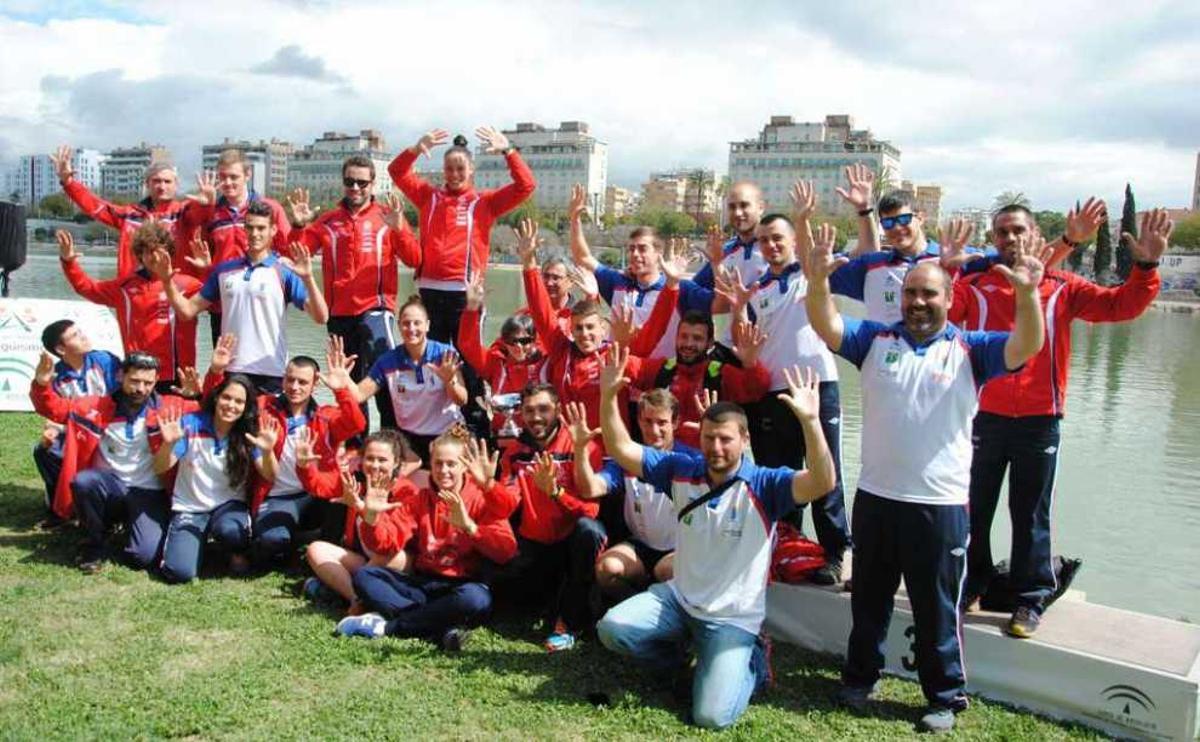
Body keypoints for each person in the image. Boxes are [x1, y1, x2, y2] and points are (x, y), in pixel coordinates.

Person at [804, 222, 1046, 733]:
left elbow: (1027, 345)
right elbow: (827, 327)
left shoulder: (973, 349)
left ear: (950, 297)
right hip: (876, 497)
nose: (917, 302)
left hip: (938, 506)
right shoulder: (874, 339)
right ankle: (859, 677)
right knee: (868, 599)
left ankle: (944, 696)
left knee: (936, 609)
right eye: (910, 292)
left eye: (928, 293)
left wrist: (1028, 295)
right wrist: (819, 281)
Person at [594, 343, 836, 730]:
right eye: (709, 438)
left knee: (710, 717)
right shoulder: (681, 468)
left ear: (744, 440)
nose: (716, 447)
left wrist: (811, 422)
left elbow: (823, 482)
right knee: (613, 629)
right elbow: (622, 450)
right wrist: (608, 397)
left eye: (725, 439)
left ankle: (754, 662)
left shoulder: (764, 485)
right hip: (679, 600)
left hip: (732, 619)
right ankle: (685, 662)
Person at [954, 204, 1169, 639]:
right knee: (971, 507)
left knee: (1031, 513)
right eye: (1001, 233)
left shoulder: (1061, 288)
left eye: (1018, 231)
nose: (1010, 239)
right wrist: (944, 266)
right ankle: (970, 585)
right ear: (993, 239)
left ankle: (1030, 598)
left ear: (1036, 235)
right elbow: (933, 310)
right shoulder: (975, 286)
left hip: (1039, 420)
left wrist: (1145, 266)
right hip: (981, 417)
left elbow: (1122, 306)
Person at [719, 213, 849, 585]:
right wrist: (738, 305)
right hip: (773, 390)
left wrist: (806, 218)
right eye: (763, 240)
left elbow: (811, 256)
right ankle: (789, 546)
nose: (771, 246)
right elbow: (742, 340)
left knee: (827, 471)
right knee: (783, 473)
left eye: (778, 238)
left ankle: (835, 551)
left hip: (817, 384)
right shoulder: (756, 288)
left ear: (792, 241)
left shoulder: (810, 273)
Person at [335, 430, 518, 650]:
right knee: (366, 576)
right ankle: (438, 627)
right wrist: (372, 518)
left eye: (451, 464)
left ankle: (389, 627)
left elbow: (506, 551)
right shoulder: (419, 500)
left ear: (463, 466)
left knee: (475, 599)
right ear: (430, 464)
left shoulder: (480, 498)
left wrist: (470, 527)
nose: (444, 471)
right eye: (438, 464)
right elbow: (386, 545)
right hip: (423, 585)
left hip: (462, 586)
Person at [29, 350, 198, 570]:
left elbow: (215, 412)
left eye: (148, 382)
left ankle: (126, 524)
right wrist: (42, 384)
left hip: (149, 491)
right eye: (134, 381)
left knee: (143, 557)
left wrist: (197, 395)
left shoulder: (172, 406)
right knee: (84, 482)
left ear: (157, 380)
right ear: (120, 376)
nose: (140, 388)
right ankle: (94, 543)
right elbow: (53, 408)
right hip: (110, 484)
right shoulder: (94, 406)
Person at [204, 337, 366, 565]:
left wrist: (341, 391)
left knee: (344, 494)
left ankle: (322, 546)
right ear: (282, 380)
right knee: (272, 540)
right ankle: (284, 542)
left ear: (315, 384)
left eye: (302, 382)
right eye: (290, 380)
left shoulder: (326, 416)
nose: (295, 387)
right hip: (278, 496)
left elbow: (356, 423)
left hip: (314, 492)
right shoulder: (263, 407)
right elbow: (221, 404)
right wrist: (216, 372)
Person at [286, 156, 421, 428]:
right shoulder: (327, 222)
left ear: (372, 184)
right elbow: (296, 255)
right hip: (339, 315)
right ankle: (357, 447)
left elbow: (414, 259)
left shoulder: (388, 217)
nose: (356, 188)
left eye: (362, 182)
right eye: (350, 182)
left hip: (376, 310)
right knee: (348, 383)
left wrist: (400, 229)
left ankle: (391, 440)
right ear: (343, 183)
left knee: (383, 376)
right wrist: (298, 226)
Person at [149, 200, 329, 395]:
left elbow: (321, 317)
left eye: (261, 228)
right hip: (231, 370)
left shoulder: (284, 270)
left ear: (273, 230)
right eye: (250, 227)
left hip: (271, 371)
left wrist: (309, 278)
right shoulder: (224, 270)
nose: (255, 234)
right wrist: (166, 281)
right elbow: (187, 311)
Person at [522, 218, 682, 430]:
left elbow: (655, 331)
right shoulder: (562, 351)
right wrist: (528, 264)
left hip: (608, 454)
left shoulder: (617, 357)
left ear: (603, 328)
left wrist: (671, 285)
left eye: (590, 327)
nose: (584, 334)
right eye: (578, 328)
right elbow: (541, 313)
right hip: (568, 449)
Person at [387, 126, 536, 342]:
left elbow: (526, 186)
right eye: (449, 169)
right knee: (434, 362)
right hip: (429, 290)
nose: (454, 174)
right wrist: (416, 149)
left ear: (471, 169)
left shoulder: (485, 202)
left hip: (465, 293)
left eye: (460, 168)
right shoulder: (428, 197)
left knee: (468, 361)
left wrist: (508, 151)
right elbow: (397, 172)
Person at [489, 383, 605, 652]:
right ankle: (548, 604)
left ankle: (570, 621)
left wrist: (556, 492)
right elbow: (507, 505)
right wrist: (488, 486)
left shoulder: (580, 444)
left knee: (590, 531)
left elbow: (592, 511)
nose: (536, 417)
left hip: (572, 544)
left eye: (543, 409)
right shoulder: (515, 451)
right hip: (536, 544)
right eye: (529, 410)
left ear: (558, 410)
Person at [153, 375, 280, 583]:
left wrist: (267, 452)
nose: (231, 405)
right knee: (179, 573)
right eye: (226, 398)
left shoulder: (248, 433)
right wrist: (167, 444)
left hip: (229, 506)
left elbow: (270, 475)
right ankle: (194, 543)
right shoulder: (191, 424)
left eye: (239, 402)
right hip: (190, 507)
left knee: (232, 532)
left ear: (246, 406)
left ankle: (234, 550)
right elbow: (159, 467)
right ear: (216, 398)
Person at [567, 392, 693, 602]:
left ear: (676, 422)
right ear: (638, 421)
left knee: (667, 571)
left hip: (680, 548)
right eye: (647, 421)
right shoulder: (627, 459)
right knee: (607, 570)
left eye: (662, 422)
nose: (654, 430)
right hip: (641, 546)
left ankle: (672, 621)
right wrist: (579, 449)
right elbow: (590, 489)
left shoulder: (691, 459)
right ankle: (638, 606)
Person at [567, 184, 710, 359]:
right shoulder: (617, 283)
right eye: (631, 249)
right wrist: (575, 220)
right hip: (622, 373)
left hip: (660, 377)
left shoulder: (680, 288)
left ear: (658, 254)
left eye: (642, 249)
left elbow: (719, 305)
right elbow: (583, 258)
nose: (635, 254)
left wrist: (717, 264)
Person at [57, 224, 202, 394]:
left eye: (159, 251)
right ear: (140, 255)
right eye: (148, 251)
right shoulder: (124, 287)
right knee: (138, 419)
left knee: (176, 419)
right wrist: (69, 262)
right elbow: (87, 288)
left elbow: (222, 300)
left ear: (169, 253)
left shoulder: (189, 285)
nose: (154, 257)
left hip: (179, 373)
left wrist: (206, 268)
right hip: (137, 371)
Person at [298, 430, 421, 613]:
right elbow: (320, 486)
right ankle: (356, 598)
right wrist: (304, 466)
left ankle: (346, 590)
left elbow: (387, 546)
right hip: (364, 559)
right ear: (362, 460)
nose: (375, 465)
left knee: (388, 557)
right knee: (315, 549)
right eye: (370, 458)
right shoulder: (356, 483)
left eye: (382, 460)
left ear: (396, 463)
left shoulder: (407, 492)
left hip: (394, 559)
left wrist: (366, 511)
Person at [622, 308, 771, 449]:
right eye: (684, 336)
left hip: (706, 459)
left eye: (697, 338)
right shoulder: (662, 369)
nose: (689, 344)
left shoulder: (719, 373)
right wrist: (620, 342)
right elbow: (622, 365)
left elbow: (757, 389)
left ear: (710, 343)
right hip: (665, 460)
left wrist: (751, 363)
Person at [348, 296, 467, 465]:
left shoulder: (445, 354)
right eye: (406, 323)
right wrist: (343, 380)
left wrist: (450, 381)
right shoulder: (387, 361)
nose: (411, 328)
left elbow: (462, 399)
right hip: (408, 437)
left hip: (447, 434)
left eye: (417, 323)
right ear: (398, 326)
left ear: (427, 325)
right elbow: (359, 394)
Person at [30, 319, 123, 522]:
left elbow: (120, 402)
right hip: (77, 432)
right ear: (61, 349)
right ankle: (60, 506)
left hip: (108, 430)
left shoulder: (105, 361)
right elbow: (54, 413)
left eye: (80, 331)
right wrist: (52, 429)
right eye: (74, 335)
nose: (83, 336)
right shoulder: (55, 375)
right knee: (44, 450)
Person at [50, 145, 189, 278]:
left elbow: (207, 214)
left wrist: (209, 202)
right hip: (132, 291)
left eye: (167, 181)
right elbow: (95, 206)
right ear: (147, 184)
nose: (162, 186)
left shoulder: (186, 213)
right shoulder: (129, 216)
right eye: (156, 181)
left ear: (176, 185)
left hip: (176, 292)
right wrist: (68, 182)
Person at [457, 274, 546, 439]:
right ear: (503, 342)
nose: (519, 346)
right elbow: (468, 345)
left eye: (525, 341)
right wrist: (471, 308)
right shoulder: (496, 363)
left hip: (538, 439)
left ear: (534, 340)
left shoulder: (545, 364)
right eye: (512, 341)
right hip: (503, 436)